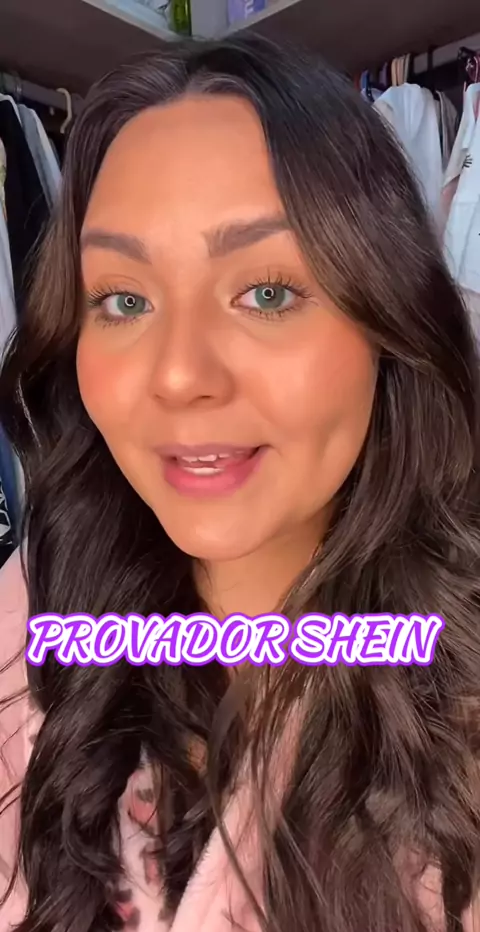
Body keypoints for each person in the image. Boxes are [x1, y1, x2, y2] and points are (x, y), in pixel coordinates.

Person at [0, 35, 479, 932]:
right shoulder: (34, 621)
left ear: (389, 321)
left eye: (265, 292)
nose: (180, 375)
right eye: (125, 300)